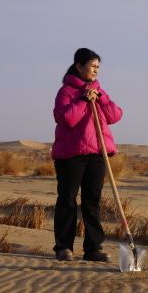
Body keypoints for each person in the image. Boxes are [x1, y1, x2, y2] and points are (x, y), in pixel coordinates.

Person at [51, 48, 123, 262]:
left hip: (97, 154)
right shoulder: (66, 92)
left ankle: (93, 249)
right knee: (68, 200)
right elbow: (67, 119)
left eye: (98, 67)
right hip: (71, 155)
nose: (96, 71)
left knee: (93, 201)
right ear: (79, 66)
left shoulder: (100, 91)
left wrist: (99, 98)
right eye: (92, 66)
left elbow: (115, 115)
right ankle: (64, 247)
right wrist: (83, 100)